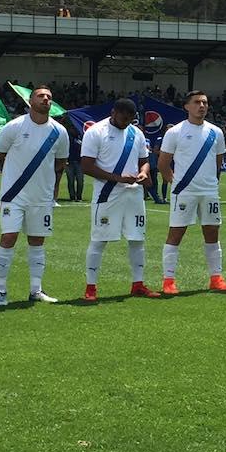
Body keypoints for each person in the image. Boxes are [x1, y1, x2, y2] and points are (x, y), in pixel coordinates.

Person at [0, 85, 69, 306]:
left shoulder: (59, 132)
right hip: (14, 195)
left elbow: (61, 162)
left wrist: (54, 188)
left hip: (41, 197)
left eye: (49, 97)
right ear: (30, 101)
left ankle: (36, 290)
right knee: (8, 238)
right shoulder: (14, 127)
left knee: (37, 241)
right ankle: (0, 289)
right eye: (41, 96)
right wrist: (11, 176)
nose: (45, 99)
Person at [80, 98, 160, 301]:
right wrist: (117, 178)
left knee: (137, 238)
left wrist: (143, 172)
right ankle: (91, 288)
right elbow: (86, 166)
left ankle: (138, 284)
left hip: (133, 194)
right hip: (107, 194)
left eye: (130, 119)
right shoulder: (96, 132)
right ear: (114, 112)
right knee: (99, 239)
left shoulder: (137, 133)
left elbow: (144, 162)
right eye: (123, 118)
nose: (126, 123)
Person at [158, 91, 226, 295]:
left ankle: (216, 278)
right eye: (197, 102)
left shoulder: (216, 132)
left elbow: (218, 162)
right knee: (176, 233)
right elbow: (163, 163)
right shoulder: (175, 132)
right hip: (184, 192)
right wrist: (174, 181)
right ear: (186, 106)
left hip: (209, 192)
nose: (202, 106)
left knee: (212, 233)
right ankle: (168, 280)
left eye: (205, 102)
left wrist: (210, 182)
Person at [64, 122, 84, 201]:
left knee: (80, 181)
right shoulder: (68, 138)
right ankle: (72, 197)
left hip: (79, 163)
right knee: (70, 181)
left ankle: (79, 196)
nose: (74, 130)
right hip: (70, 162)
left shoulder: (81, 137)